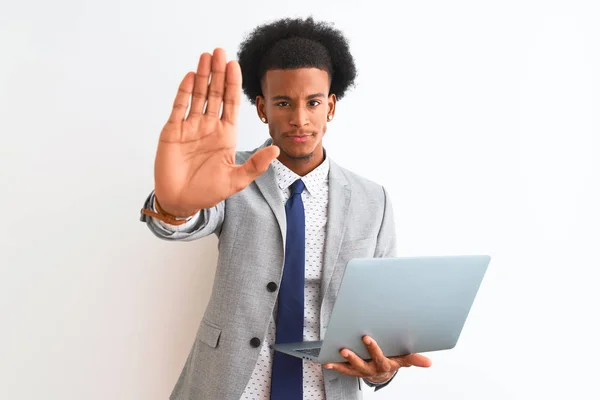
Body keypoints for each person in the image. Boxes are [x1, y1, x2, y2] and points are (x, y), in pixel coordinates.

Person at [140, 16, 431, 400]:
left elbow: (382, 317)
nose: (299, 118)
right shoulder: (230, 175)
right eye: (283, 102)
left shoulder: (372, 200)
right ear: (262, 108)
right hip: (229, 386)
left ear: (330, 107)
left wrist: (380, 371)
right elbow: (185, 218)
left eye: (312, 102)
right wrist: (173, 207)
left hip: (327, 389)